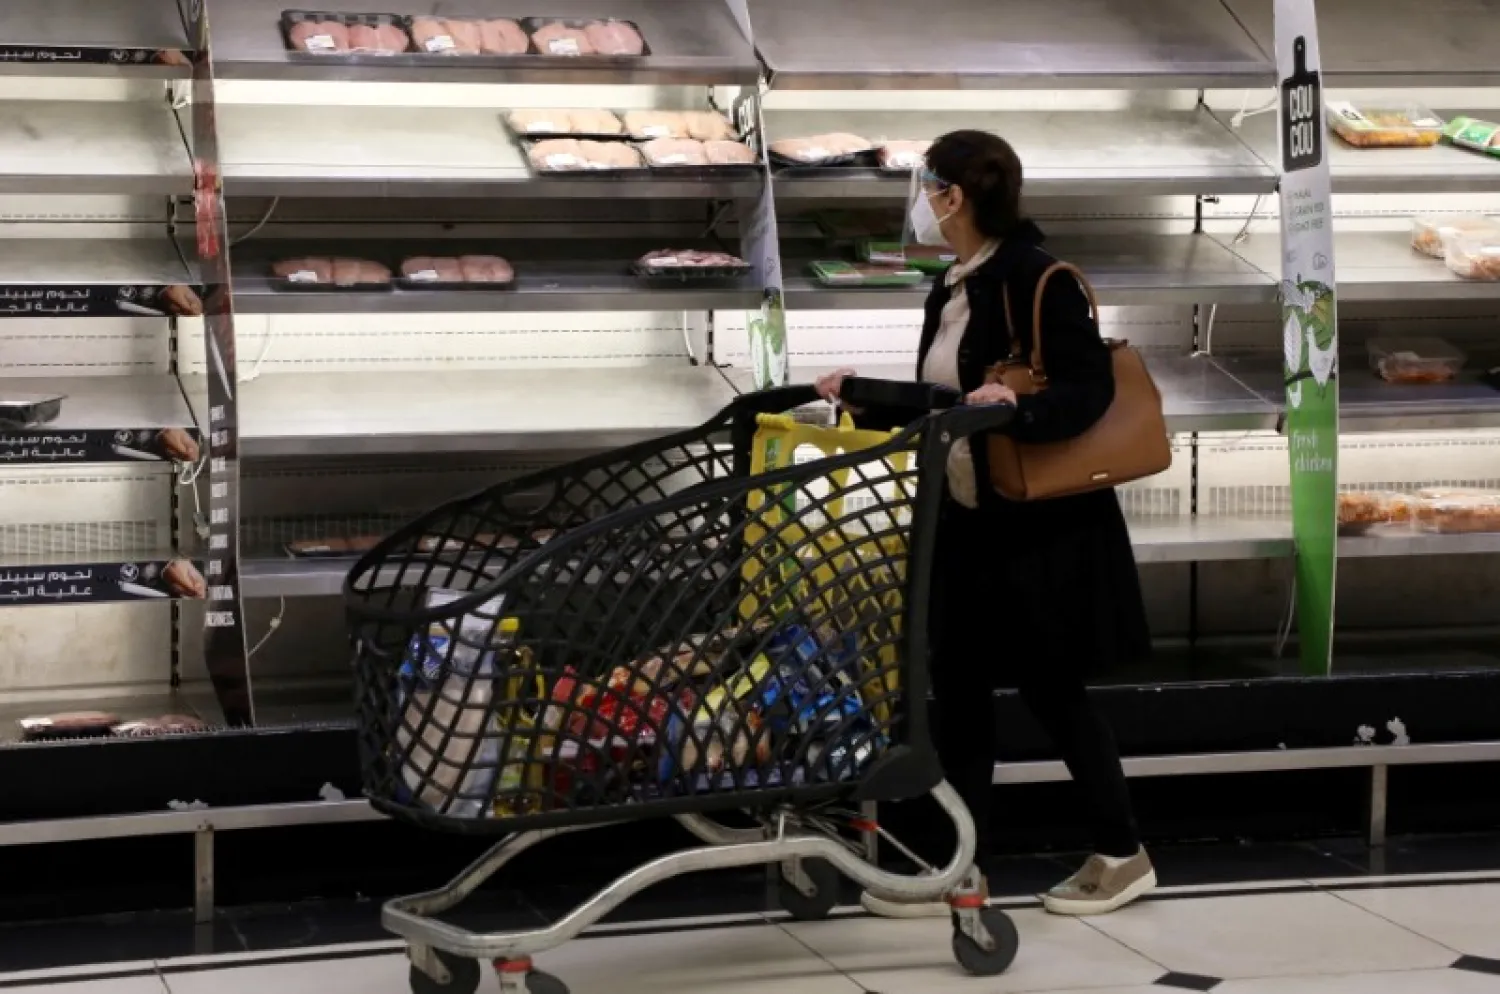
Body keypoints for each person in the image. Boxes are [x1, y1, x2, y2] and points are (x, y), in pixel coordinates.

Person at [815, 130, 1156, 918]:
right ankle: (959, 867)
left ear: (952, 197)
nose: (922, 203)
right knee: (958, 694)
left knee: (1053, 692)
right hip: (968, 520)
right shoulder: (954, 283)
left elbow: (1085, 393)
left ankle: (1123, 852)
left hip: (1043, 527)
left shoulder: (1037, 279)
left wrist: (1023, 409)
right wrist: (863, 396)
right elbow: (952, 399)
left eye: (926, 187)